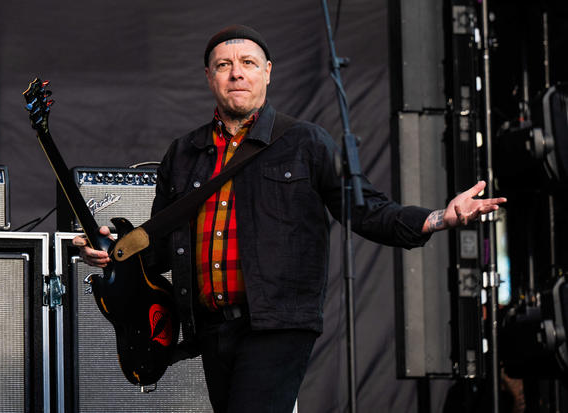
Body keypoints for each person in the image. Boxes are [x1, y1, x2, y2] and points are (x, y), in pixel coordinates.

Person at [74, 24, 506, 413]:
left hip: (278, 324)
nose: (236, 73)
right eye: (224, 65)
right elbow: (163, 249)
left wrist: (439, 218)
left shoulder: (305, 142)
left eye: (248, 63)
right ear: (209, 77)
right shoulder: (183, 153)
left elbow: (367, 210)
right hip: (210, 328)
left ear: (268, 72)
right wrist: (116, 254)